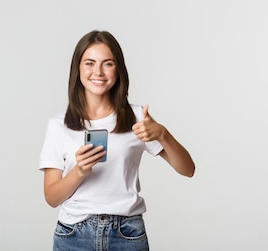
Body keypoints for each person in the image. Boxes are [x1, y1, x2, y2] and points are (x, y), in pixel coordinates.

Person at [38, 30, 195, 251]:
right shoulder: (58, 124)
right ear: (78, 69)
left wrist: (162, 134)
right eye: (90, 63)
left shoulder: (138, 118)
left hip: (127, 233)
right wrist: (79, 171)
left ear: (118, 69)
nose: (98, 72)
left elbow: (188, 169)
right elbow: (52, 198)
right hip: (74, 235)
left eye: (108, 64)